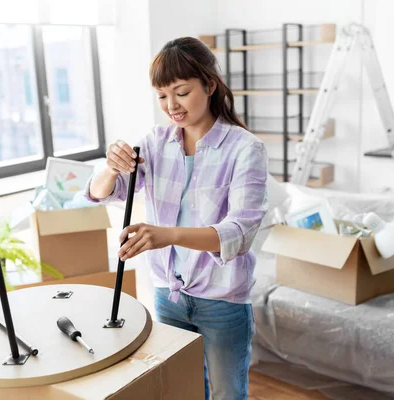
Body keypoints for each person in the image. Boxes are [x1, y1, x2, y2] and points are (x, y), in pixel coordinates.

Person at [84, 36, 268, 400]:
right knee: (182, 390)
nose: (171, 106)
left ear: (210, 85)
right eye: (162, 96)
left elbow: (239, 232)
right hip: (169, 295)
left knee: (228, 394)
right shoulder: (155, 141)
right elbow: (102, 193)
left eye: (181, 92)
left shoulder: (245, 149)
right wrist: (110, 167)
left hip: (223, 299)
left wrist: (167, 235)